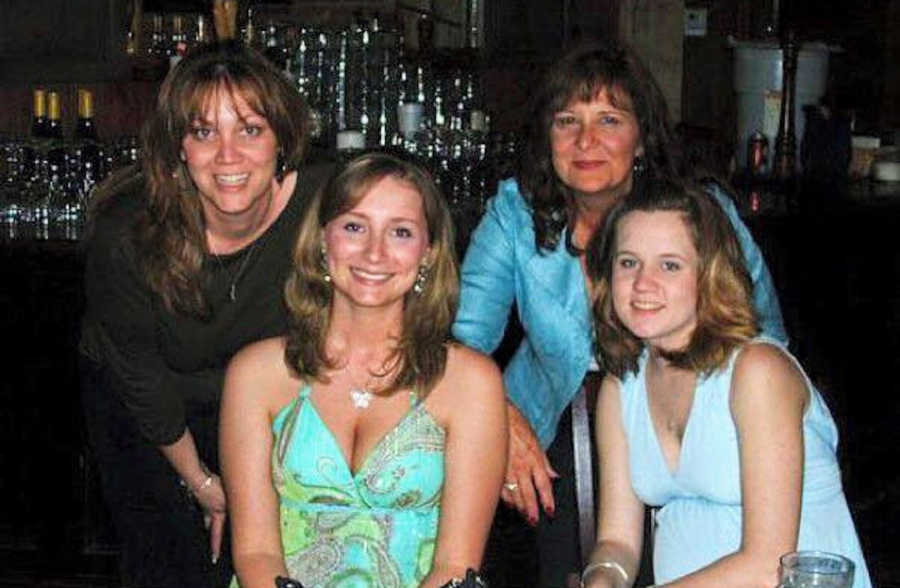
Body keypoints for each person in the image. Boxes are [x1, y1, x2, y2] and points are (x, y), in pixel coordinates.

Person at [452, 40, 787, 586]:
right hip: (555, 433)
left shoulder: (697, 213)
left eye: (609, 119)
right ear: (547, 138)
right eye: (567, 121)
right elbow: (461, 341)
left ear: (641, 138)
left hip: (682, 421)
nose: (586, 141)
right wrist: (501, 420)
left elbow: (763, 333)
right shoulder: (516, 210)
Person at [79, 42, 330, 587]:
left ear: (283, 138)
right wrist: (204, 484)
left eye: (250, 129)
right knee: (169, 561)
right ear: (178, 148)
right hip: (146, 404)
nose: (228, 156)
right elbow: (141, 378)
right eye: (203, 132)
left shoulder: (325, 203)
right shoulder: (127, 234)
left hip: (263, 402)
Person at [221, 152, 507, 588]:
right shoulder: (255, 374)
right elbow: (254, 552)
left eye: (401, 232)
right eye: (355, 227)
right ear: (322, 241)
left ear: (428, 254)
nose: (375, 252)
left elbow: (455, 565)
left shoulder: (470, 383)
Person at [581, 179, 871, 588]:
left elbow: (769, 563)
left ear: (709, 274)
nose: (643, 283)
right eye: (628, 262)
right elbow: (616, 542)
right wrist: (602, 580)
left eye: (669, 265)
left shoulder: (757, 371)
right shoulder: (621, 386)